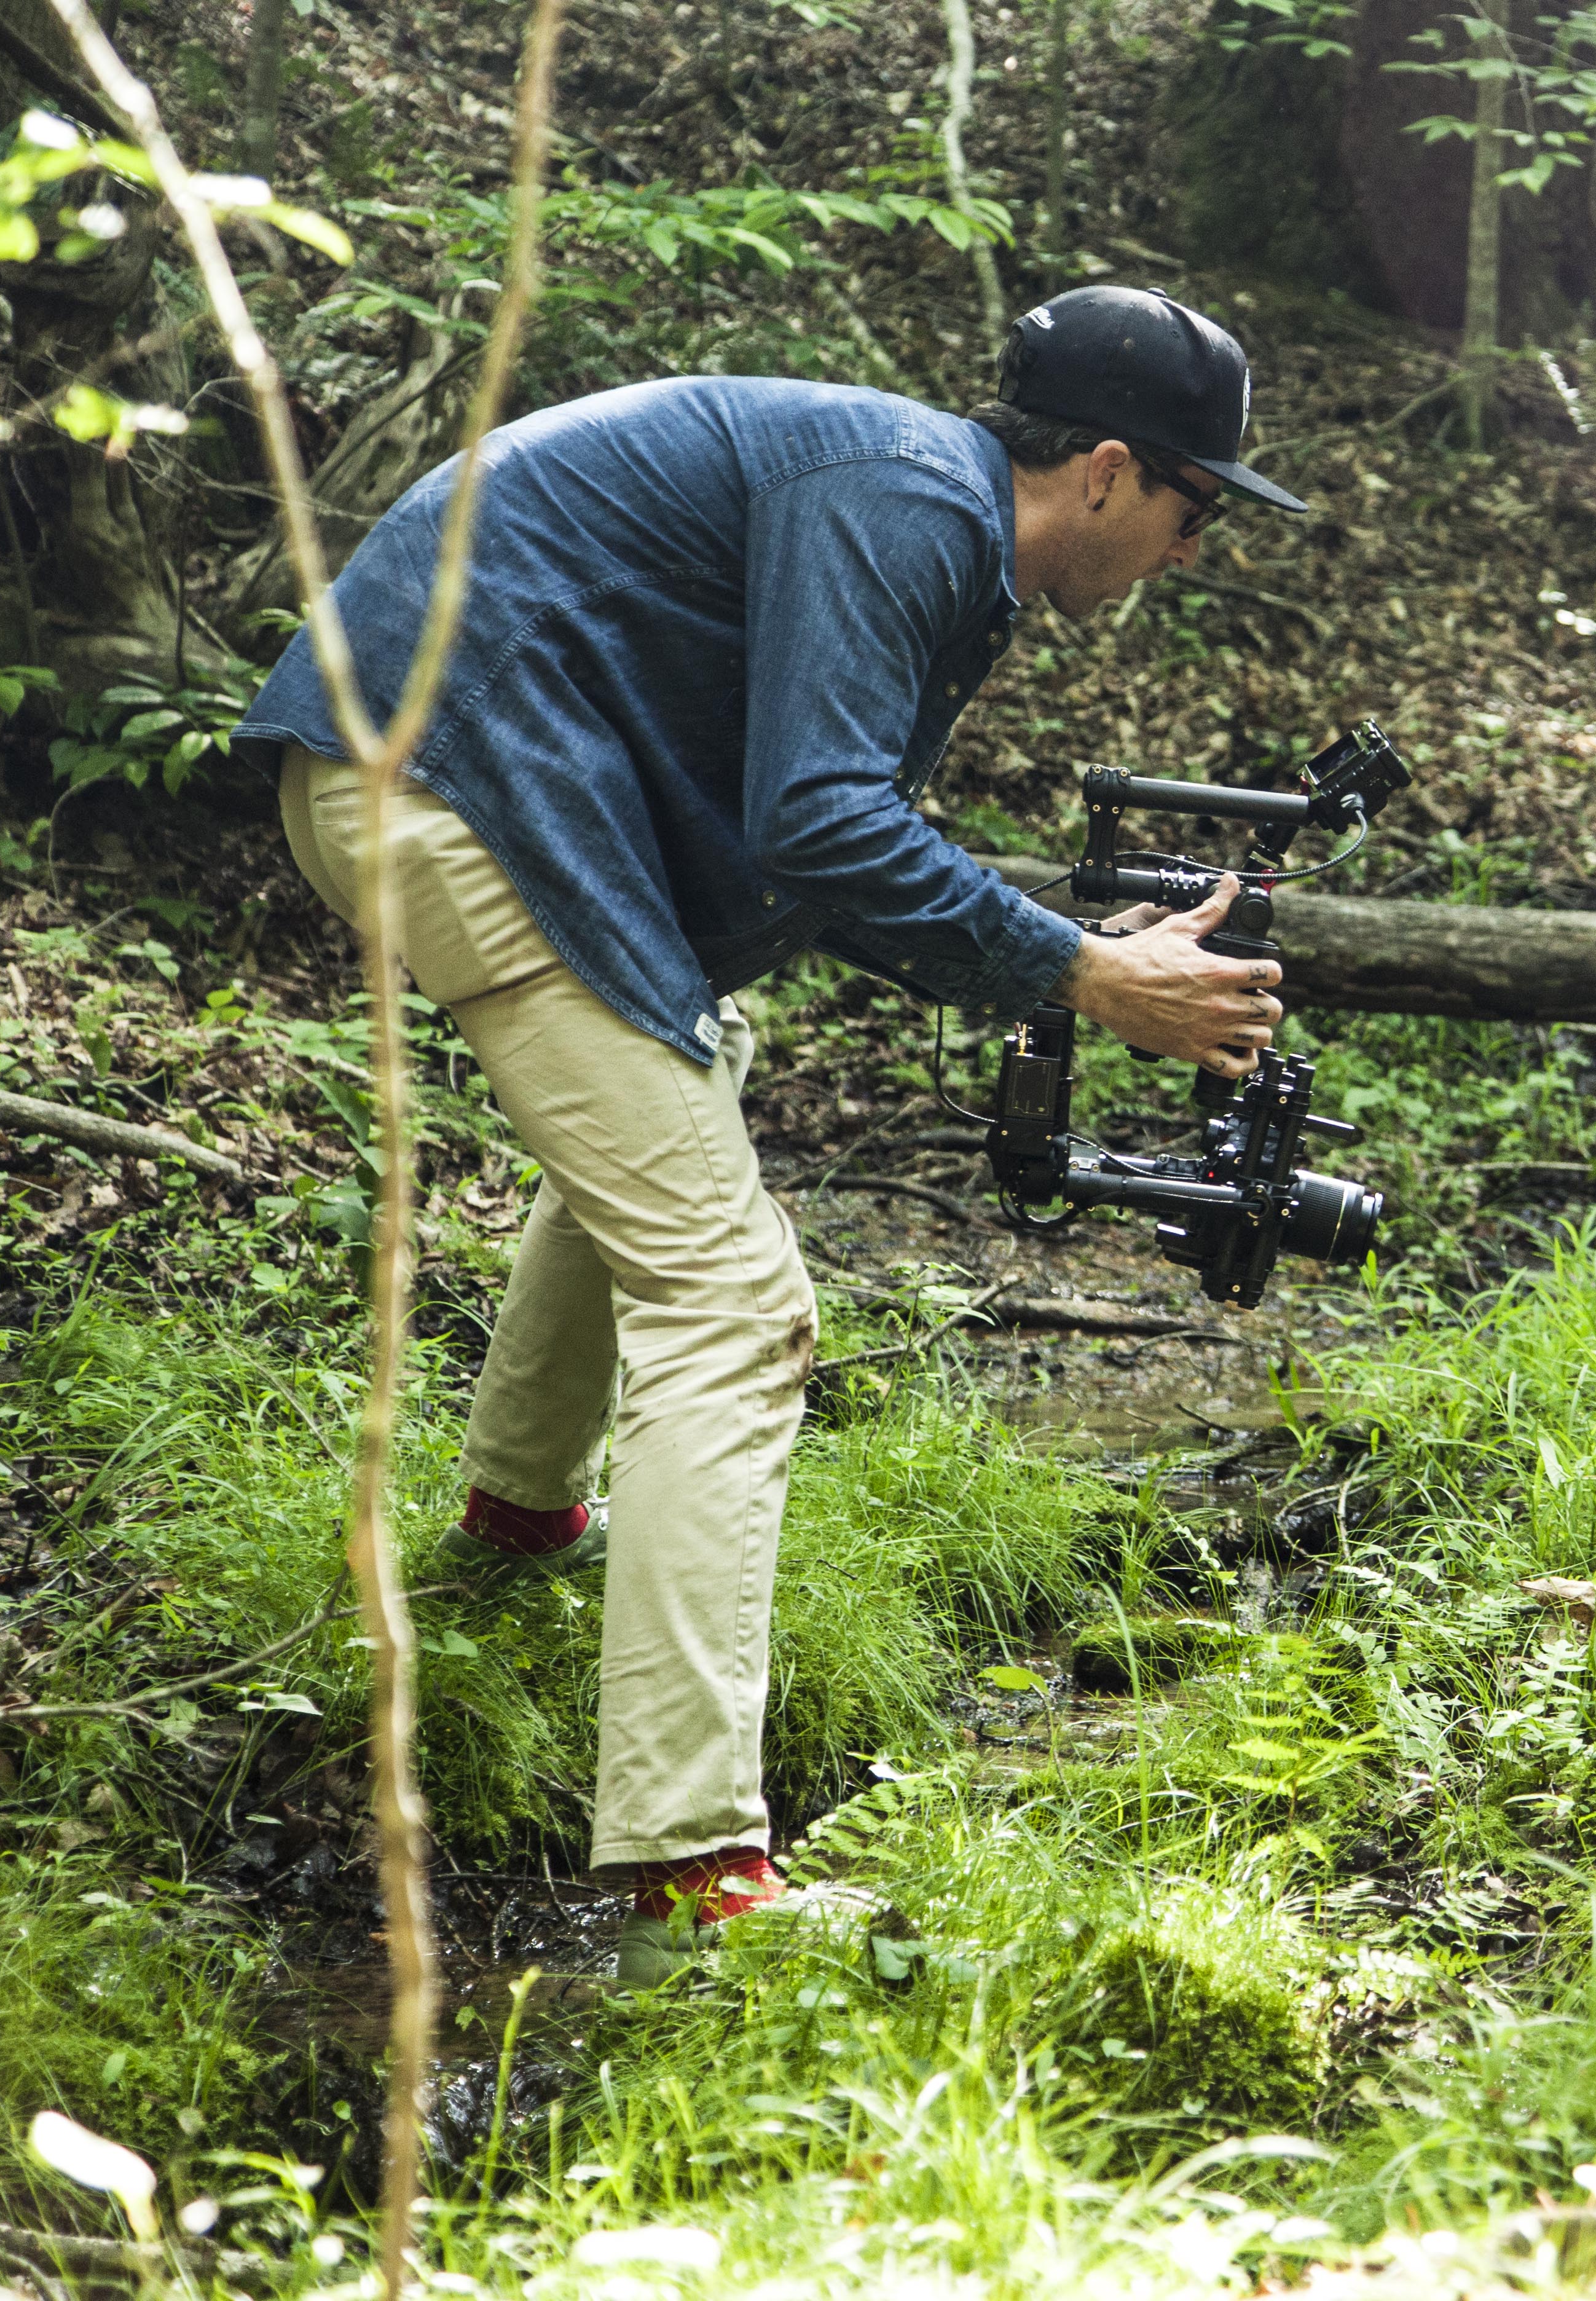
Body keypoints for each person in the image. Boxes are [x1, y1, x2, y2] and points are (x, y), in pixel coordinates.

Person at [230, 286, 1300, 1983]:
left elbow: (789, 813)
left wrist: (1058, 966)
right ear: (1107, 470)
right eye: (1193, 508)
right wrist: (1089, 972)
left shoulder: (919, 508)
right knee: (738, 1308)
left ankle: (515, 1530)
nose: (1188, 550)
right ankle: (689, 1866)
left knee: (684, 1084)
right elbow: (820, 821)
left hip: (464, 774)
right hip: (444, 775)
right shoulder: (905, 503)